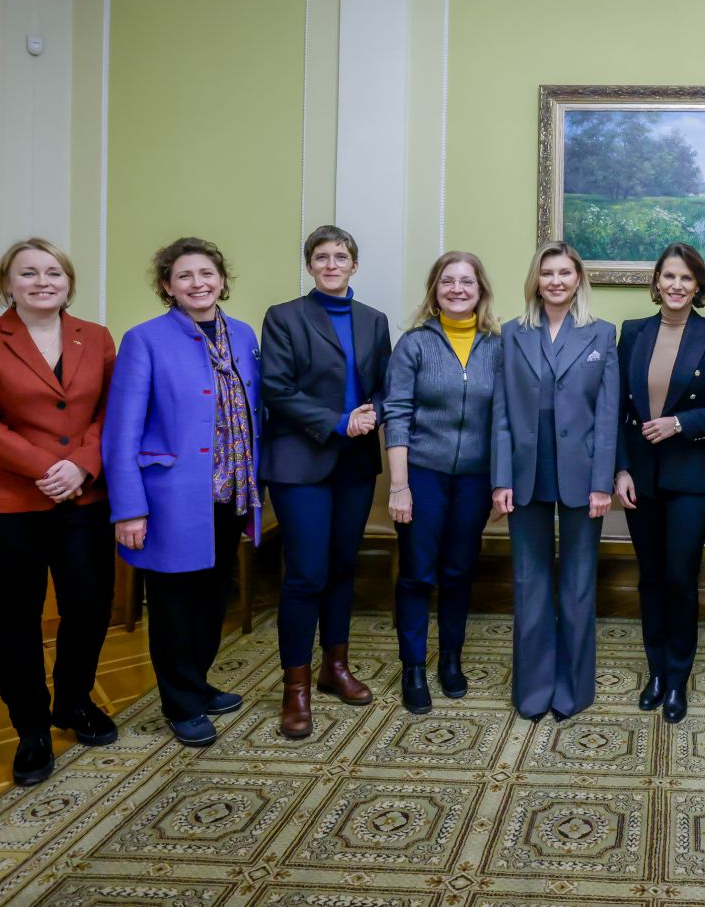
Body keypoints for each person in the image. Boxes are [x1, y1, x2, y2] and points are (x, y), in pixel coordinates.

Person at [0, 239, 117, 785]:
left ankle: (72, 702)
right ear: (8, 284)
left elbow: (113, 411)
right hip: (2, 505)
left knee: (89, 605)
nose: (42, 281)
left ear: (68, 282)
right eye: (28, 273)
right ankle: (32, 731)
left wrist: (83, 466)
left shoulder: (96, 337)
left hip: (82, 497)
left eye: (53, 273)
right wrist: (50, 467)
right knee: (15, 618)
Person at [103, 238, 262, 748]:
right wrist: (129, 508)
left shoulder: (242, 335)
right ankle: (180, 702)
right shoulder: (144, 339)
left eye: (208, 273)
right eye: (186, 275)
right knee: (174, 603)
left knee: (215, 598)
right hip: (172, 496)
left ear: (222, 280)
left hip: (231, 493)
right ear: (168, 287)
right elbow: (121, 431)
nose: (199, 283)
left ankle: (196, 681)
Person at [259, 226, 391, 739]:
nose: (332, 263)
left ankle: (334, 667)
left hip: (355, 464)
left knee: (342, 567)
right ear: (310, 266)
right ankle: (296, 689)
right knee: (305, 575)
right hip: (301, 462)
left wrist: (371, 414)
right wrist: (339, 420)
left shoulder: (373, 320)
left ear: (354, 265)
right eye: (322, 257)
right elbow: (276, 388)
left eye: (341, 256)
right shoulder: (285, 317)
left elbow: (386, 386)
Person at [614, 243, 705, 724]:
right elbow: (618, 410)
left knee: (679, 577)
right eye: (668, 276)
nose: (676, 285)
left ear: (698, 286)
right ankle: (655, 671)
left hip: (692, 475)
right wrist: (620, 469)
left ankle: (677, 678)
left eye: (686, 278)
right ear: (655, 283)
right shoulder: (632, 333)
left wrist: (680, 423)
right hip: (639, 477)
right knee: (649, 578)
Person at [492, 241, 619, 722]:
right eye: (548, 273)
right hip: (525, 475)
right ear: (536, 281)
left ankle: (572, 689)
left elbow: (607, 416)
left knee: (579, 584)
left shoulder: (602, 335)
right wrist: (500, 478)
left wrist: (602, 481)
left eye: (565, 273)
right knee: (529, 583)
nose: (556, 281)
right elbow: (502, 413)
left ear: (578, 280)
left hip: (583, 477)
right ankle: (533, 689)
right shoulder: (511, 334)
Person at [384, 251, 503, 713]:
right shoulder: (414, 345)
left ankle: (450, 660)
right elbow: (396, 414)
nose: (457, 289)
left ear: (480, 290)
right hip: (422, 475)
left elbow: (507, 418)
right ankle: (414, 666)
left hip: (475, 479)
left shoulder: (498, 345)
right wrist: (400, 485)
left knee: (458, 571)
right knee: (417, 573)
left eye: (467, 282)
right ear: (435, 290)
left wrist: (500, 483)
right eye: (447, 281)